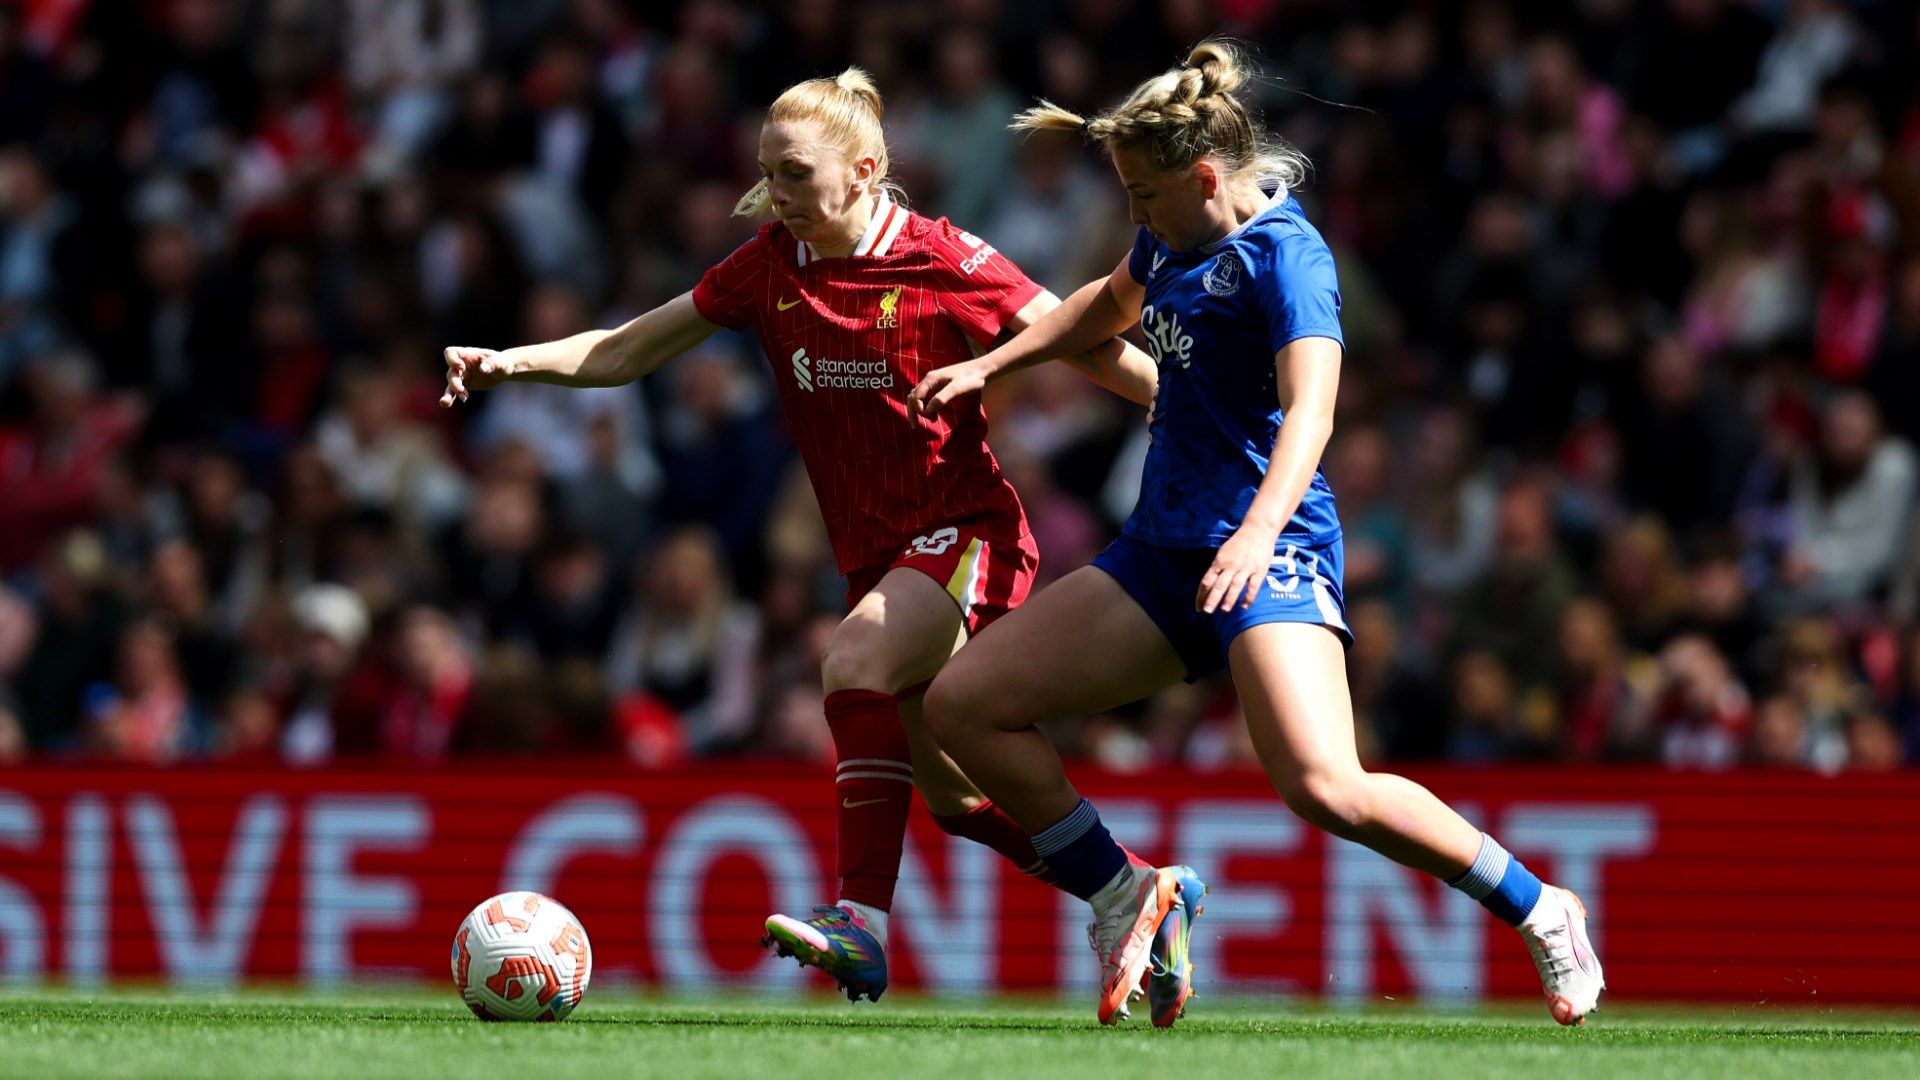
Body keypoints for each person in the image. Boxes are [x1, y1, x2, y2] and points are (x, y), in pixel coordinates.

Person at [916, 40, 1605, 1027]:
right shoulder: (1169, 241)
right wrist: (995, 367)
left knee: (1328, 786)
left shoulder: (1291, 257)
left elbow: (1313, 411)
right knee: (965, 705)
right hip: (1163, 554)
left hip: (1269, 551)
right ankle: (1123, 895)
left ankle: (1542, 908)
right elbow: (1095, 311)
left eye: (1145, 195)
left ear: (1204, 176)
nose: (1134, 217)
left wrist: (1255, 533)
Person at [440, 69, 1160, 1004]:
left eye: (794, 173)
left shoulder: (943, 258)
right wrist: (511, 363)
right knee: (953, 799)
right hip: (877, 553)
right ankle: (1128, 888)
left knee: (853, 654)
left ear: (864, 170)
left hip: (969, 532)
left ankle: (859, 921)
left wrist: (1184, 401)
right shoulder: (769, 266)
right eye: (768, 175)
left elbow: (1080, 338)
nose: (776, 195)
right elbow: (625, 349)